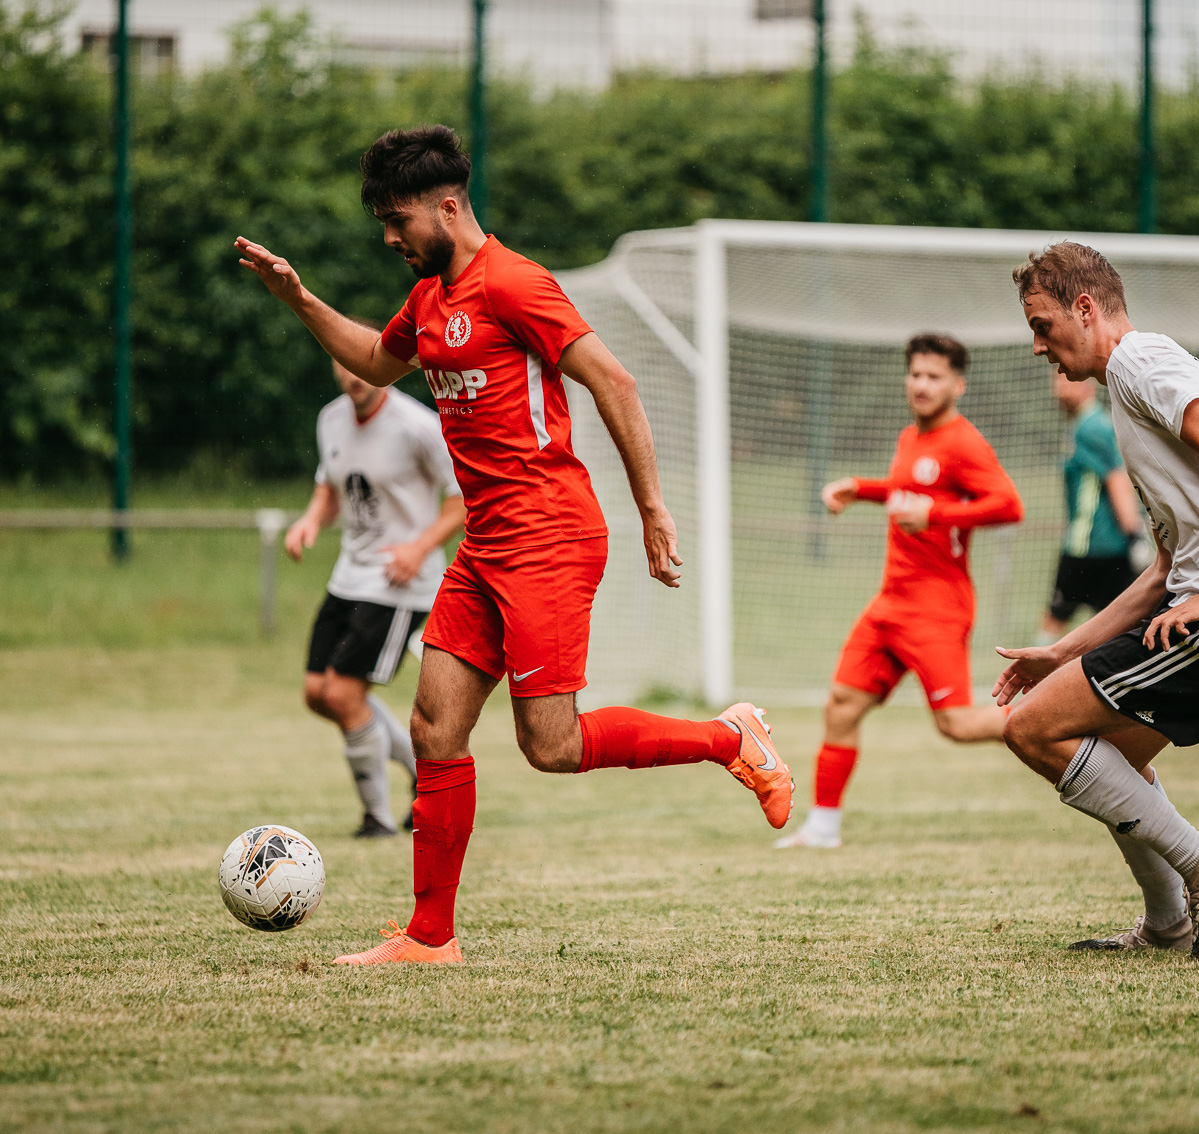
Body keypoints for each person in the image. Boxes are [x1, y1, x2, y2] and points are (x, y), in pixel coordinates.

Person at [235, 124, 792, 966]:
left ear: (446, 208)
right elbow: (377, 364)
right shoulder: (429, 300)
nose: (389, 238)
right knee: (434, 729)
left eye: (396, 220)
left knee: (551, 747)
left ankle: (731, 738)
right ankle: (430, 937)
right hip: (486, 544)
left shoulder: (514, 283)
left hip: (549, 537)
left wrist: (652, 507)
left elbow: (614, 381)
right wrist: (298, 299)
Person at [994, 242, 1199, 960]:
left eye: (1043, 326)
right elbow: (1165, 569)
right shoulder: (1131, 385)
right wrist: (1062, 651)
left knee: (1030, 730)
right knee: (1107, 758)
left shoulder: (1139, 363)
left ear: (1085, 308)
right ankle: (1168, 924)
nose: (1038, 346)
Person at [776, 332, 1024, 850]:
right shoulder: (911, 437)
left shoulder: (962, 442)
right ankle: (822, 828)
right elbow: (909, 490)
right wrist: (861, 489)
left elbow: (1008, 504)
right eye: (915, 374)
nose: (921, 384)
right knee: (842, 704)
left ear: (957, 385)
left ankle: (1062, 720)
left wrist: (937, 514)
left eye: (934, 376)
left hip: (937, 608)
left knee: (956, 725)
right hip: (890, 603)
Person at [286, 357, 466, 839]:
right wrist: (310, 521)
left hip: (400, 582)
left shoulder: (418, 426)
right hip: (349, 575)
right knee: (317, 694)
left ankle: (378, 819)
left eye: (362, 366)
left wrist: (418, 548)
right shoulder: (331, 418)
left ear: (387, 368)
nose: (353, 376)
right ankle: (423, 773)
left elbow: (462, 500)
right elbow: (329, 488)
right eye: (343, 366)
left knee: (343, 694)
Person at [1038, 365, 1144, 645]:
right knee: (1117, 627)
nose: (1058, 389)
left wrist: (1135, 534)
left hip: (1091, 548)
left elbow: (1117, 480)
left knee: (1058, 617)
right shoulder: (1083, 425)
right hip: (1099, 547)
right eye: (1055, 381)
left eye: (1065, 380)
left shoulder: (1092, 427)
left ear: (1087, 384)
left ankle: (1033, 669)